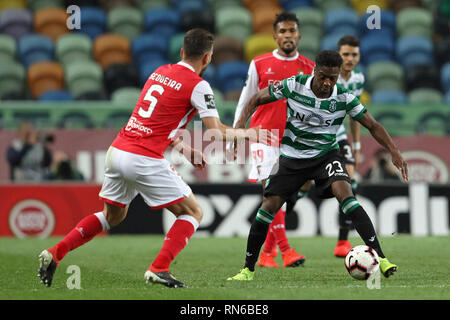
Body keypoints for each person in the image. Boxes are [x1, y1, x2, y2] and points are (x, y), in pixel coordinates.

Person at [38, 28, 275, 289]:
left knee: (112, 216)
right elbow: (216, 132)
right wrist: (250, 132)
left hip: (117, 151)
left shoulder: (160, 72)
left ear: (182, 51)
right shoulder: (199, 85)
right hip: (143, 158)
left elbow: (153, 120)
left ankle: (55, 253)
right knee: (193, 212)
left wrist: (184, 148)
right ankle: (159, 268)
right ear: (207, 58)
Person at [227, 50, 408, 281]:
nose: (327, 83)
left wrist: (394, 151)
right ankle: (247, 270)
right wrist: (240, 124)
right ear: (314, 71)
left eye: (332, 78)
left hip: (326, 156)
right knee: (268, 207)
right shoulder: (294, 85)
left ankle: (382, 259)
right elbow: (256, 98)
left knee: (348, 196)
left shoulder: (344, 97)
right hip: (292, 158)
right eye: (323, 76)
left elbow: (372, 125)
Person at [231, 11, 315, 268]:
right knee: (272, 190)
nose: (287, 35)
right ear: (275, 36)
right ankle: (286, 250)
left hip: (293, 138)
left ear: (299, 35)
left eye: (291, 31)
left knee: (301, 186)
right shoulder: (259, 63)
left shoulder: (309, 67)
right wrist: (237, 129)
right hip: (263, 134)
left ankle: (267, 253)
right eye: (282, 31)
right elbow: (247, 97)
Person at [296, 35, 365, 257]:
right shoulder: (324, 77)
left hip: (339, 135)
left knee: (350, 182)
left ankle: (342, 242)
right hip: (316, 137)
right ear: (338, 54)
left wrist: (356, 146)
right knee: (302, 188)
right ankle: (275, 231)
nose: (350, 59)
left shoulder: (358, 80)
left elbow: (355, 117)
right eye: (346, 54)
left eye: (354, 54)